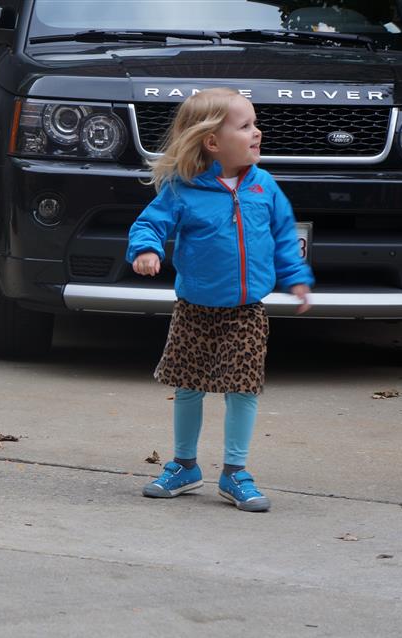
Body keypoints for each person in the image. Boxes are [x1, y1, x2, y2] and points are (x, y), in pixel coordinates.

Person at [126, 87, 314, 512]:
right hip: (194, 309)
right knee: (188, 388)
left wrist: (297, 277)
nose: (257, 132)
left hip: (246, 311)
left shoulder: (264, 186)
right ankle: (184, 466)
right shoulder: (184, 188)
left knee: (243, 390)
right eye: (245, 126)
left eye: (255, 124)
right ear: (212, 141)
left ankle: (235, 472)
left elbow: (285, 236)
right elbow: (149, 224)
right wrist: (146, 250)